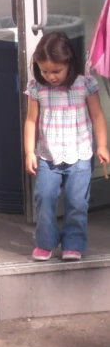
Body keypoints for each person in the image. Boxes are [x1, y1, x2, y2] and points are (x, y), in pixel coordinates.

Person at [24, 31, 109, 262]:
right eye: (44, 71)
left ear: (69, 63)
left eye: (56, 71)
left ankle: (73, 243)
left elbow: (98, 115)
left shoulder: (85, 84)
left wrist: (102, 146)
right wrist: (29, 152)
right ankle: (45, 242)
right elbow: (31, 121)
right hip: (48, 157)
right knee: (44, 196)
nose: (50, 77)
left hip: (80, 155)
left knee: (77, 201)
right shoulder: (37, 88)